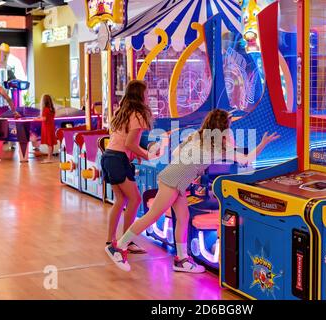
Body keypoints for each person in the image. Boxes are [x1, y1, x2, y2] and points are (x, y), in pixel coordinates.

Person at [105, 109, 279, 273]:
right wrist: (263, 143)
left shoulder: (197, 136)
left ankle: (181, 259)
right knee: (152, 216)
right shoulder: (220, 148)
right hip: (174, 181)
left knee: (183, 217)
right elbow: (247, 160)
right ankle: (118, 246)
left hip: (175, 179)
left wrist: (193, 168)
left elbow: (175, 153)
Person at [101, 80, 167, 255]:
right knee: (136, 199)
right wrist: (147, 155)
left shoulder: (122, 111)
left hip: (109, 156)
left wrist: (136, 154)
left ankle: (111, 241)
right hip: (117, 159)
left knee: (121, 200)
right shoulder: (137, 114)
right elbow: (130, 143)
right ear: (140, 95)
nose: (148, 96)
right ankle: (125, 241)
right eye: (146, 93)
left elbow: (123, 142)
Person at [39, 94, 57, 163]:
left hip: (47, 128)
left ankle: (49, 158)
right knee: (50, 143)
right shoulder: (51, 109)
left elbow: (44, 119)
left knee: (49, 143)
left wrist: (36, 119)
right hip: (51, 127)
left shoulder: (45, 109)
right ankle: (50, 157)